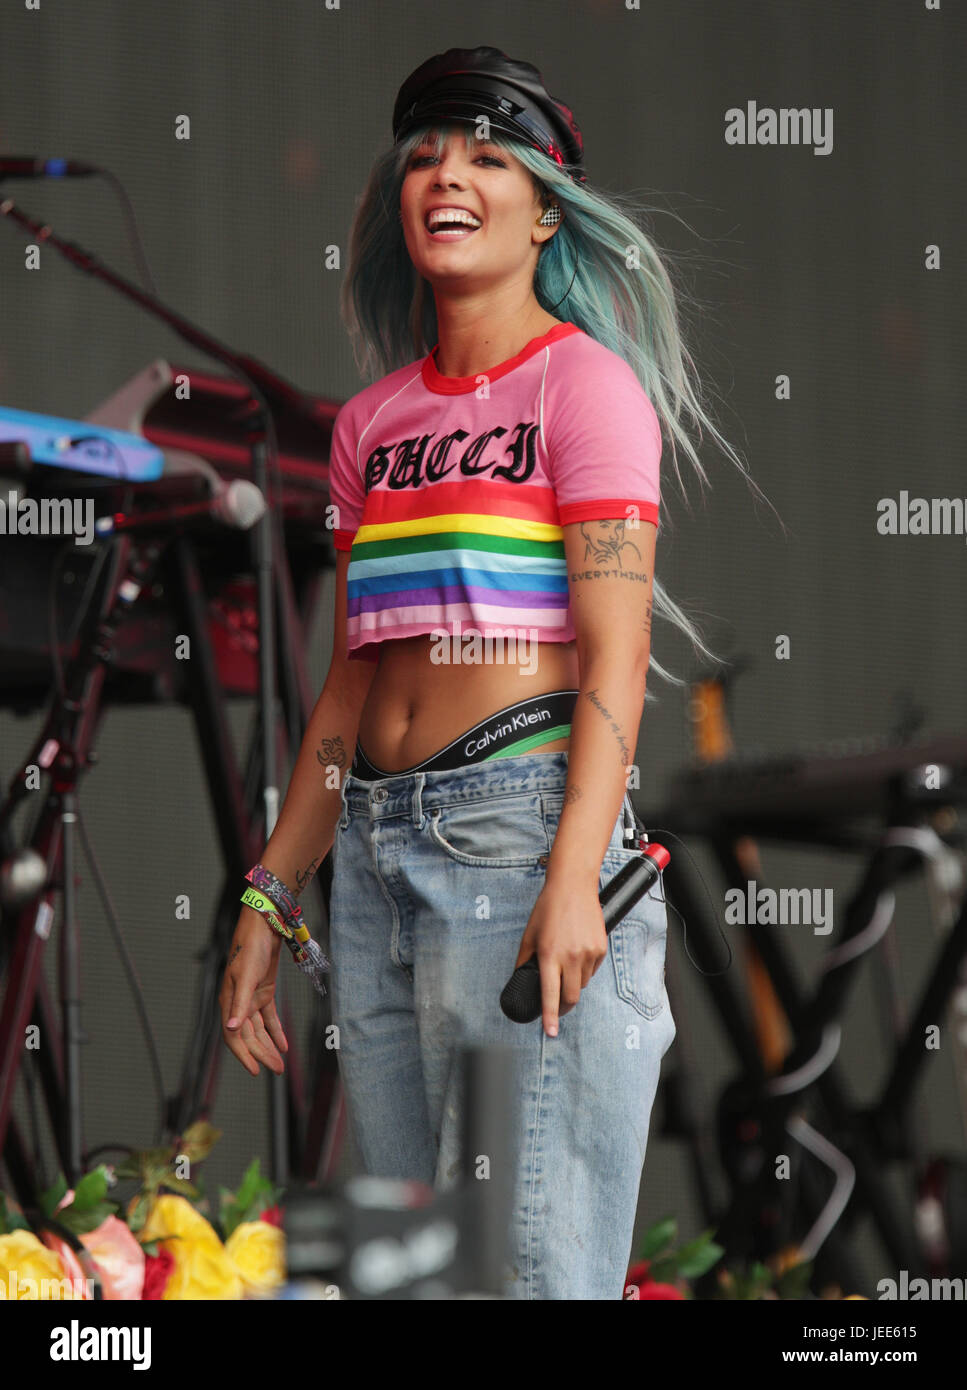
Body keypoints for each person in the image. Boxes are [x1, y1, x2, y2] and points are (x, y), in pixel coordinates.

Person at [220, 46, 760, 1300]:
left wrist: (575, 876)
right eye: (423, 155)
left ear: (545, 207)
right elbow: (353, 685)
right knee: (406, 1274)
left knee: (528, 1270)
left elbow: (616, 656)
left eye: (483, 154)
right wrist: (267, 889)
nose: (444, 176)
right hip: (373, 858)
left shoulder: (585, 385)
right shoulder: (372, 426)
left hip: (513, 840)